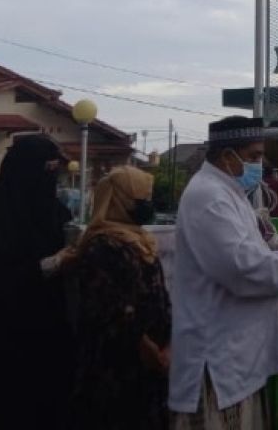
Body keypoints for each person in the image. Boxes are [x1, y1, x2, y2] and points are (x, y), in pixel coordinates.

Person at [170, 117, 278, 429]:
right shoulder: (209, 196)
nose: (259, 164)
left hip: (237, 355)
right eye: (254, 156)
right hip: (216, 358)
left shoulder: (229, 192)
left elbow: (259, 242)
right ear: (227, 155)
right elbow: (242, 267)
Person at [0, 133, 76, 430]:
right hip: (7, 343)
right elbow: (3, 282)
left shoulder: (54, 213)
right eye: (47, 170)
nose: (52, 178)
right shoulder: (4, 222)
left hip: (48, 336)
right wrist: (54, 263)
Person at [70, 166, 171, 430]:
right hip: (116, 370)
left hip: (151, 371)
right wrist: (146, 347)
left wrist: (167, 345)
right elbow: (109, 309)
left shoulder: (142, 240)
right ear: (117, 200)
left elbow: (160, 295)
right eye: (140, 200)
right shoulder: (102, 246)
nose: (146, 205)